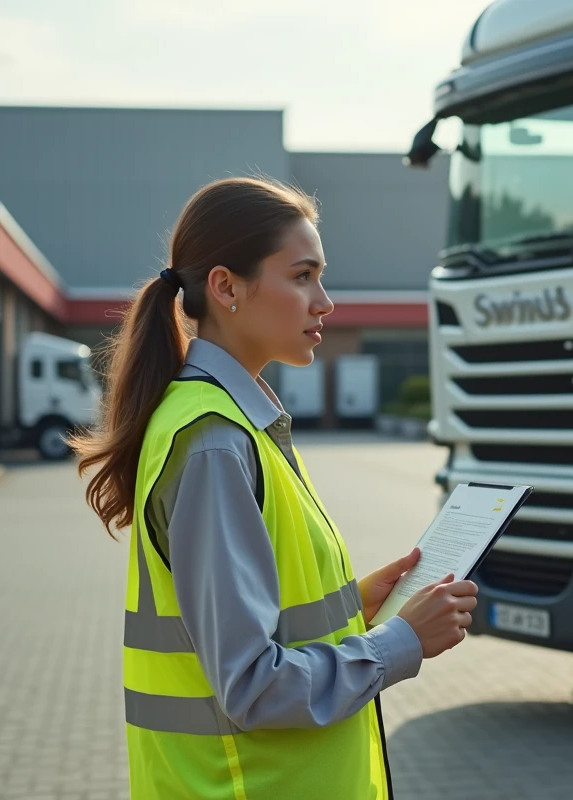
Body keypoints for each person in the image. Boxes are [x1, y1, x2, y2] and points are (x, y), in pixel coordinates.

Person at [71, 176, 479, 799]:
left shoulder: (230, 425)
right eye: (301, 276)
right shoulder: (213, 442)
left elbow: (255, 622)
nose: (325, 303)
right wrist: (400, 643)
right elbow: (254, 685)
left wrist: (356, 607)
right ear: (227, 287)